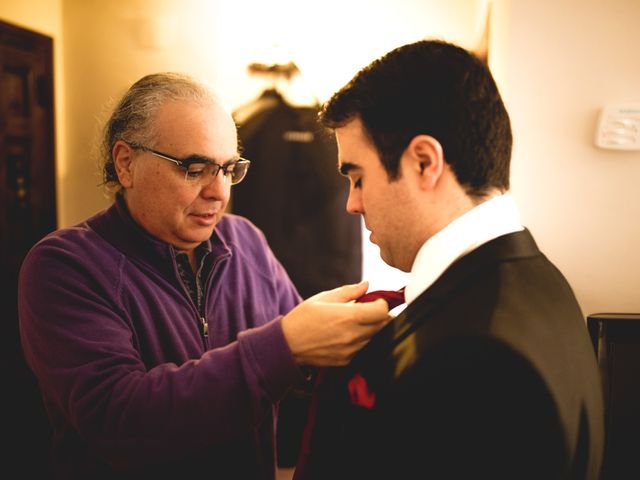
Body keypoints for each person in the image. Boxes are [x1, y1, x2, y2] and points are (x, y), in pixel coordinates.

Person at [17, 72, 392, 479]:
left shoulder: (246, 240)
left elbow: (303, 366)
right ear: (125, 163)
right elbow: (121, 421)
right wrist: (286, 344)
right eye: (195, 168)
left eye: (229, 169)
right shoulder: (64, 266)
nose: (219, 192)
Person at [293, 40, 604, 480]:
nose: (352, 204)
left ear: (423, 163)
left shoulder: (478, 358)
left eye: (358, 178)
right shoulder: (538, 279)